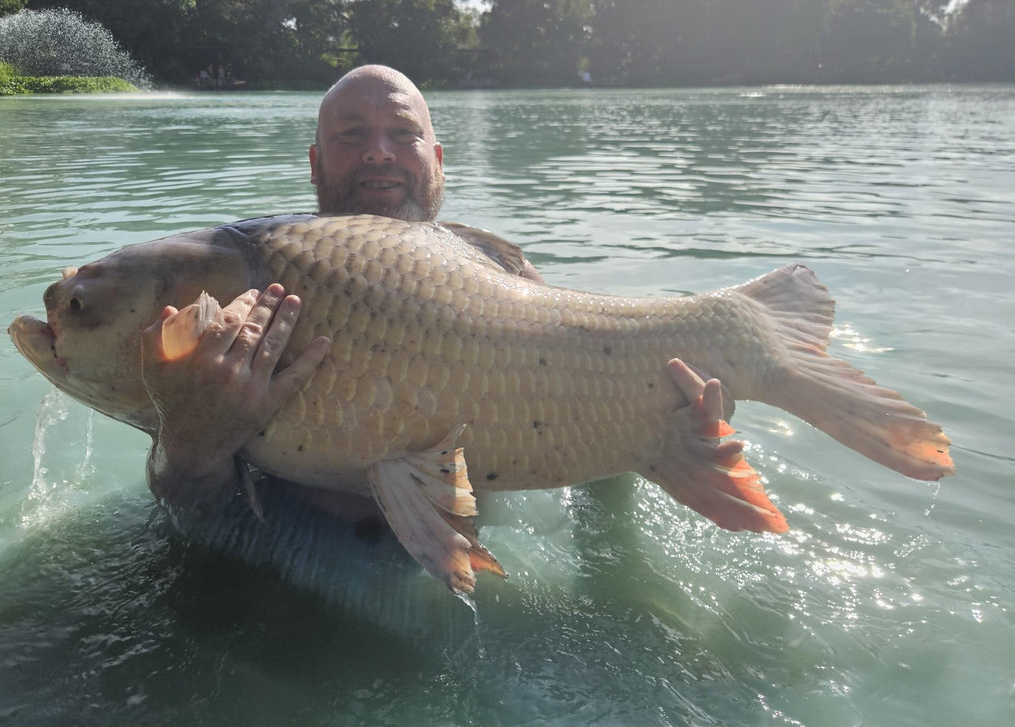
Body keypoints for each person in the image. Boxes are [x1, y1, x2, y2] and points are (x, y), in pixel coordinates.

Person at [141, 64, 727, 528]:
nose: (379, 151)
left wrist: (664, 433)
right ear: (316, 165)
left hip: (479, 561)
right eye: (352, 135)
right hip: (290, 559)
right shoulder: (248, 290)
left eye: (404, 134)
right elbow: (180, 503)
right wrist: (190, 444)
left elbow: (600, 484)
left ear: (437, 162)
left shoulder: (509, 277)